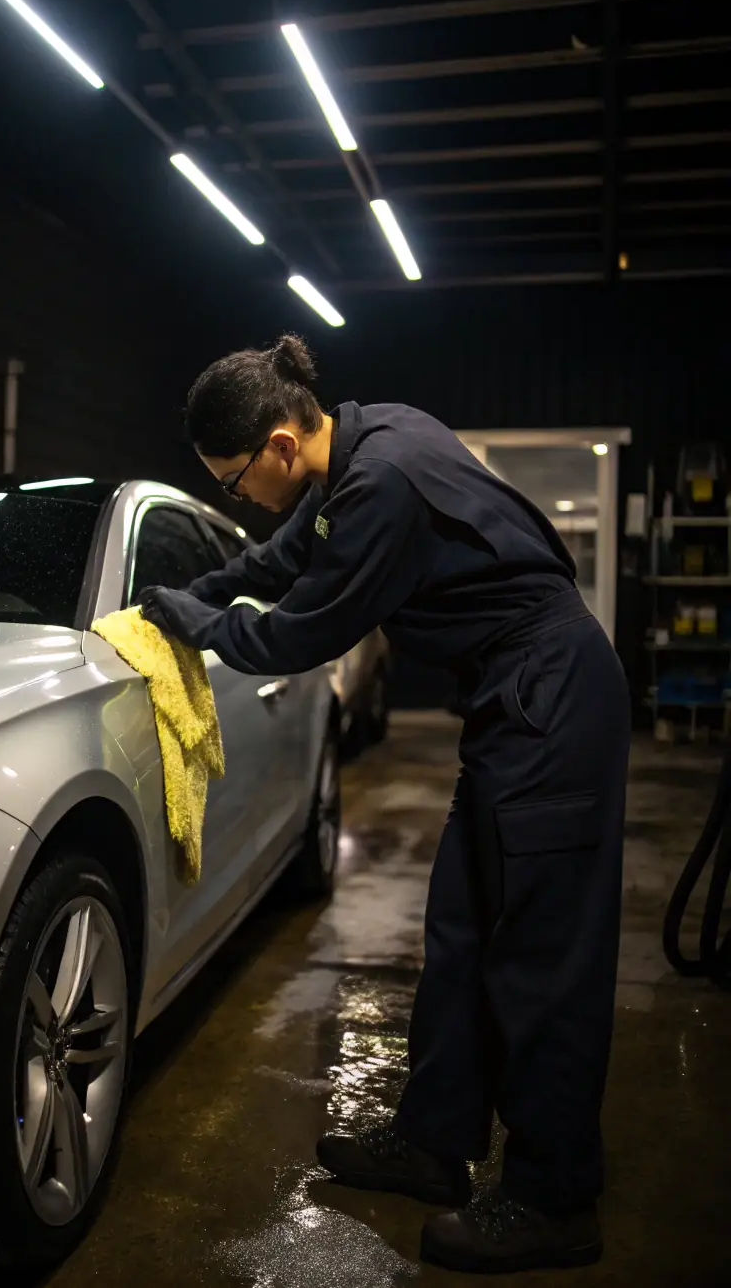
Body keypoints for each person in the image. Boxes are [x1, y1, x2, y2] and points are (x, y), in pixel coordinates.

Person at [137, 334, 630, 1275]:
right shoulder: (366, 439)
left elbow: (302, 631)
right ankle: (437, 1143)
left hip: (552, 696)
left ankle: (555, 1197)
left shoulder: (380, 485)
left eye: (237, 480)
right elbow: (281, 555)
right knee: (461, 932)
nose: (241, 498)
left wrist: (202, 625)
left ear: (281, 444)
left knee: (540, 957)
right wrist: (202, 587)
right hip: (512, 700)